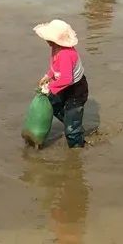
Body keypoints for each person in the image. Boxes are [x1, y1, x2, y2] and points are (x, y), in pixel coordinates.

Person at [35, 19, 88, 149]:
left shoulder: (65, 54)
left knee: (71, 131)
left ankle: (77, 147)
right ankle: (73, 123)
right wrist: (48, 76)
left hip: (76, 91)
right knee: (53, 105)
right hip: (64, 86)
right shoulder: (56, 48)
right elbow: (55, 67)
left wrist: (51, 87)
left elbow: (66, 79)